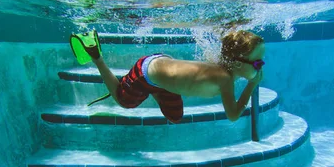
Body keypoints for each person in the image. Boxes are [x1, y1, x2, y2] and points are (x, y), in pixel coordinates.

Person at [69, 29, 265, 123]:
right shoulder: (225, 79)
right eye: (258, 62)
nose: (261, 66)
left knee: (175, 117)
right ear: (238, 63)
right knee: (124, 102)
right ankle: (96, 55)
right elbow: (232, 115)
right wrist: (252, 85)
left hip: (163, 72)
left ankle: (155, 89)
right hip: (146, 73)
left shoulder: (225, 69)